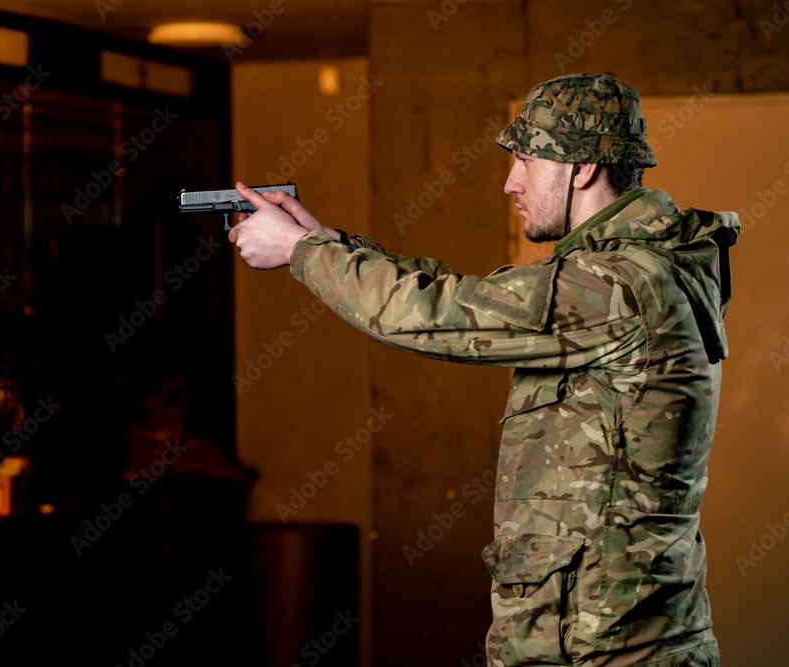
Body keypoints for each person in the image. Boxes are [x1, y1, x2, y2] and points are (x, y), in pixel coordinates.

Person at [228, 73, 739, 666]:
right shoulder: (624, 271)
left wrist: (298, 251)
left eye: (525, 161)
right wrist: (328, 241)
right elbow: (463, 295)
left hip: (607, 651)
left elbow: (435, 314)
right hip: (608, 640)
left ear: (581, 168)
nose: (510, 182)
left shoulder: (621, 286)